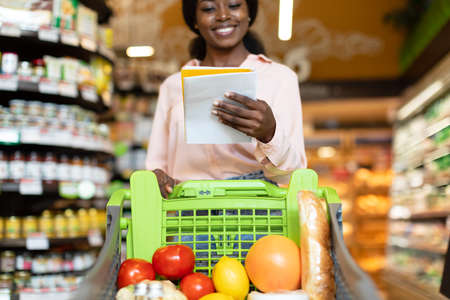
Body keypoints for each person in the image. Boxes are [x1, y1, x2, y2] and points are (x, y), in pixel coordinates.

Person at [146, 0, 307, 197]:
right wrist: (157, 179)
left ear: (249, 13)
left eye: (234, 5)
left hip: (255, 211)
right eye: (208, 8)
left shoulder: (280, 79)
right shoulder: (173, 86)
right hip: (187, 213)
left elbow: (291, 175)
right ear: (194, 20)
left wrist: (269, 135)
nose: (223, 15)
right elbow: (155, 168)